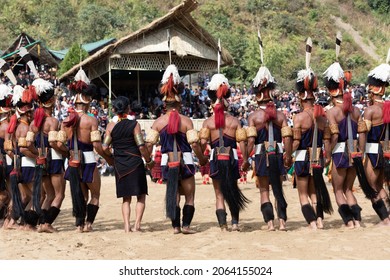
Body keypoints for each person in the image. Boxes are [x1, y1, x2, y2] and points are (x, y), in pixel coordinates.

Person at [145, 64, 207, 234]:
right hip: (186, 160)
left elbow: (147, 145)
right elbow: (194, 144)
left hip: (167, 162)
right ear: (180, 102)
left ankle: (175, 227)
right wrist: (202, 159)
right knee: (189, 196)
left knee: (174, 194)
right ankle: (186, 225)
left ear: (165, 103)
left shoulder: (158, 123)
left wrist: (148, 161)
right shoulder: (187, 121)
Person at [57, 69, 108, 233]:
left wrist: (68, 153)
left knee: (80, 195)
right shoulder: (91, 120)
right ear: (87, 101)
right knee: (95, 195)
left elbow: (58, 143)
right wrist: (107, 156)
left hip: (72, 161)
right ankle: (88, 224)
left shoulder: (65, 121)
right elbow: (97, 146)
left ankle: (79, 224)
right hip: (89, 161)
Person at [200, 73, 250, 231]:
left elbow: (202, 144)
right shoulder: (235, 122)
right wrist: (246, 160)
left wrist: (201, 156)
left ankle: (223, 225)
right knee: (233, 189)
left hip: (216, 158)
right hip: (231, 158)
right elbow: (242, 143)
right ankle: (235, 223)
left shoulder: (207, 123)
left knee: (219, 194)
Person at [291, 38, 333, 230]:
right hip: (317, 157)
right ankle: (321, 221)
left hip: (301, 157)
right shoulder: (322, 117)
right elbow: (326, 141)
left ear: (301, 96)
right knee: (315, 192)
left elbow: (296, 141)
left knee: (302, 194)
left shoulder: (298, 118)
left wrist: (287, 155)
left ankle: (312, 224)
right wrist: (326, 158)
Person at [247, 65, 293, 231]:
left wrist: (245, 158)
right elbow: (287, 138)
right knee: (278, 189)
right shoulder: (281, 116)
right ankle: (282, 222)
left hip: (260, 156)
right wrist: (288, 156)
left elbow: (251, 141)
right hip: (278, 155)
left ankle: (270, 223)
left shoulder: (253, 117)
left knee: (264, 190)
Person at [101, 96, 153, 233]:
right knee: (140, 195)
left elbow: (105, 147)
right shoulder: (135, 125)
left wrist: (111, 159)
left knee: (126, 198)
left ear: (114, 110)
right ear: (128, 109)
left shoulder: (110, 126)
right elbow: (141, 146)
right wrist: (149, 161)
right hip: (135, 163)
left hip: (120, 165)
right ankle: (137, 225)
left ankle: (126, 226)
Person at [324, 60, 364, 228]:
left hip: (340, 153)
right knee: (349, 189)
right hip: (354, 152)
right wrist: (360, 151)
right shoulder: (356, 110)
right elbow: (362, 133)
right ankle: (358, 221)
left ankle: (348, 222)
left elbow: (334, 137)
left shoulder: (331, 112)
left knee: (339, 190)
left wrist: (328, 154)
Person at [26, 78, 65, 233]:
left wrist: (38, 154)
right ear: (51, 100)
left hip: (41, 160)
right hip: (54, 159)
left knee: (49, 195)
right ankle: (46, 223)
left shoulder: (34, 123)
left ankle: (41, 223)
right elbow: (54, 143)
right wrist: (67, 151)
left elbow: (28, 144)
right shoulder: (53, 121)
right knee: (59, 195)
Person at [360, 58, 390, 225]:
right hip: (387, 150)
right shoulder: (388, 107)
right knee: (380, 186)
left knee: (372, 188)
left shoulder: (370, 111)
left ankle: (385, 219)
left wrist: (360, 153)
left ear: (372, 91)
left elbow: (364, 134)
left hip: (372, 152)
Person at [5, 84, 38, 230]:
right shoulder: (24, 128)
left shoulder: (16, 127)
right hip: (27, 164)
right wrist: (36, 155)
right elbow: (24, 149)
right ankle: (26, 223)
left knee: (24, 196)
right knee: (36, 195)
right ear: (27, 113)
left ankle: (12, 221)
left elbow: (10, 148)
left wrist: (16, 159)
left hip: (19, 164)